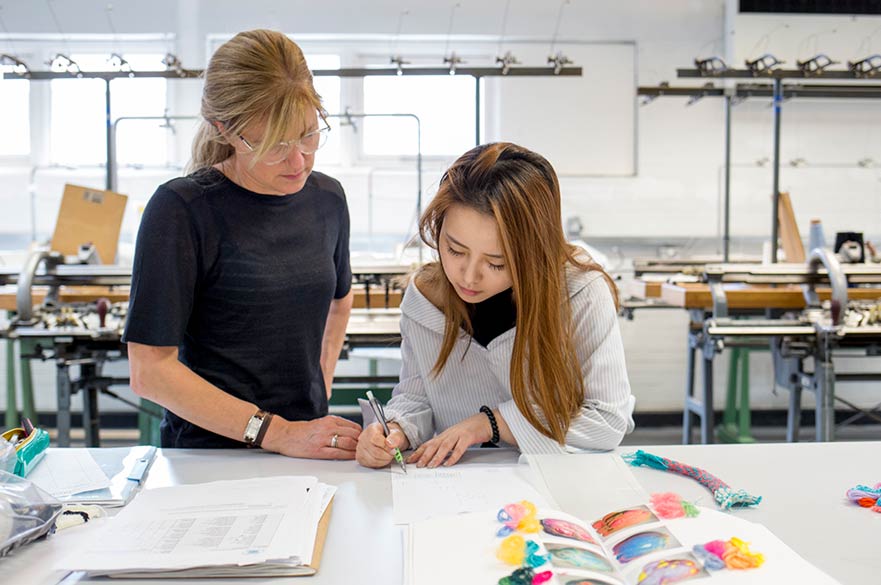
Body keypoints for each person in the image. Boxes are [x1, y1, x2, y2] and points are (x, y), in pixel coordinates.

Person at [125, 29, 361, 458]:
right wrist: (277, 432)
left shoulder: (328, 199)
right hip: (208, 456)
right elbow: (150, 371)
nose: (299, 161)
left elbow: (339, 302)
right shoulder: (181, 209)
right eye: (275, 146)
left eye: (309, 135)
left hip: (306, 447)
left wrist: (317, 393)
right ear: (225, 130)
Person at [356, 142, 634, 469]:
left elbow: (607, 420)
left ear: (534, 252)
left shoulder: (580, 293)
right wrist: (395, 430)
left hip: (553, 488)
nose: (469, 277)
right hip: (457, 487)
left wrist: (492, 422)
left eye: (497, 263)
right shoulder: (424, 299)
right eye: (455, 250)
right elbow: (416, 399)